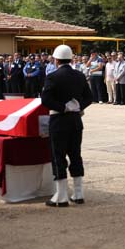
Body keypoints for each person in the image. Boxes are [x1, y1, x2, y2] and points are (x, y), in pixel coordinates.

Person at [41, 45, 93, 207]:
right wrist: (77, 106)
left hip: (59, 121)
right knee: (75, 155)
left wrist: (63, 107)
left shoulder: (52, 76)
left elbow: (46, 100)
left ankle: (61, 195)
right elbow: (89, 97)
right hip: (76, 121)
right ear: (71, 59)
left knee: (58, 157)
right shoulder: (79, 76)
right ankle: (78, 194)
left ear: (56, 60)